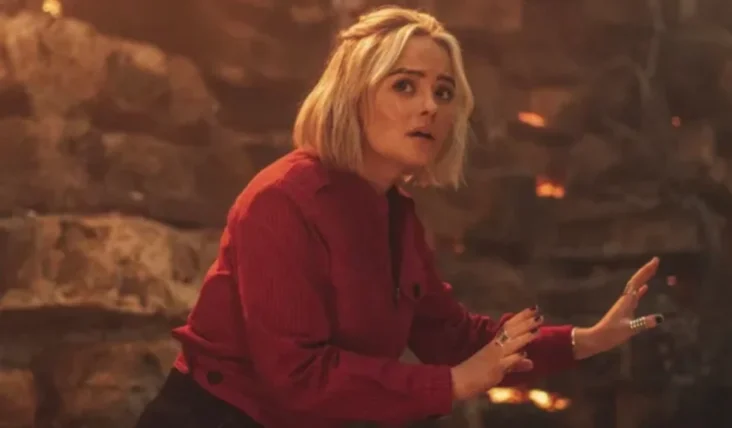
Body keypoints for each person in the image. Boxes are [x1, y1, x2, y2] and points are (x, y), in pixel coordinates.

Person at [134, 6, 664, 428]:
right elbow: (296, 376)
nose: (430, 106)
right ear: (352, 96)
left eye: (443, 92)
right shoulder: (282, 200)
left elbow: (451, 336)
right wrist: (453, 384)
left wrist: (587, 339)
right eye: (405, 85)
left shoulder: (392, 210)